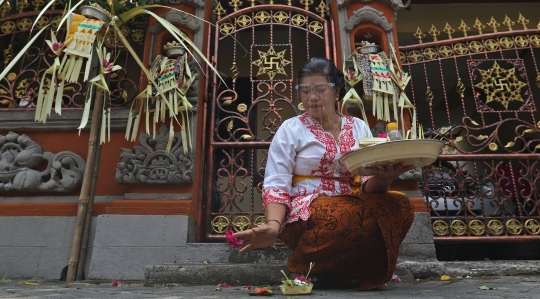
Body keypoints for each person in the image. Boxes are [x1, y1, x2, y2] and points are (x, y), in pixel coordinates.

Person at [233, 57, 416, 290]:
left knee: (400, 206)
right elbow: (276, 183)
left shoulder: (358, 126)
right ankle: (302, 264)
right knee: (346, 215)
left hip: (354, 203)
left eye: (320, 89)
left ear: (337, 90)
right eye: (305, 90)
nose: (312, 97)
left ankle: (342, 270)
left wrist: (384, 178)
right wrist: (272, 225)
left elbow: (368, 183)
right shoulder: (291, 128)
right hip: (305, 211)